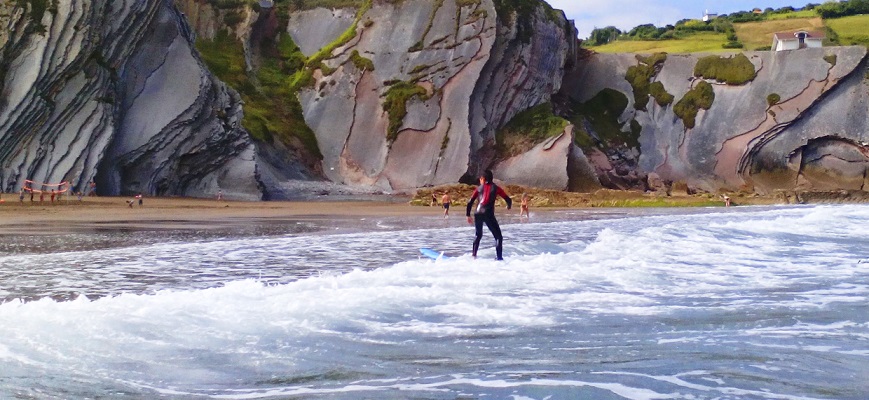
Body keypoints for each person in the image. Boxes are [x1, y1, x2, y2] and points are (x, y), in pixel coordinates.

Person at [466, 170, 512, 260]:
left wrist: (468, 215)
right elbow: (508, 199)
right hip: (488, 213)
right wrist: (508, 206)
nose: (480, 180)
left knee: (478, 235)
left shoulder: (478, 188)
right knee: (498, 237)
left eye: (480, 178)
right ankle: (499, 258)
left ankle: (473, 256)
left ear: (483, 178)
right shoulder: (496, 188)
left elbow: (470, 201)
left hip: (477, 213)